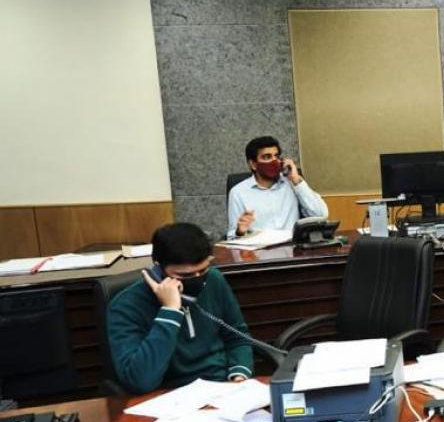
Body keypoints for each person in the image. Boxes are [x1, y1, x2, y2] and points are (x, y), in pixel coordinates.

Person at [107, 223, 254, 394]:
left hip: (221, 385)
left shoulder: (214, 279)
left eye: (203, 270)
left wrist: (239, 375)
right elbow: (140, 381)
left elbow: (237, 336)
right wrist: (170, 311)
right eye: (185, 276)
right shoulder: (125, 305)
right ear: (158, 267)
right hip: (165, 396)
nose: (198, 280)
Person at [227, 136, 328, 238]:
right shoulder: (238, 192)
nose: (274, 161)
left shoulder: (291, 183)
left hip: (292, 248)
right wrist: (239, 231)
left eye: (276, 156)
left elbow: (321, 215)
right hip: (259, 251)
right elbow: (231, 238)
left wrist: (297, 180)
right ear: (253, 164)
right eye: (267, 157)